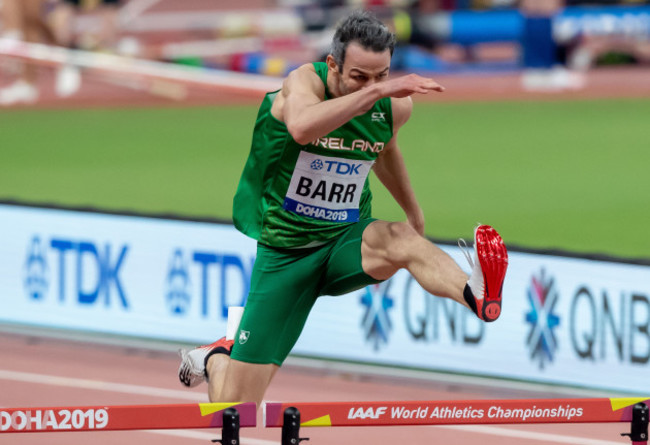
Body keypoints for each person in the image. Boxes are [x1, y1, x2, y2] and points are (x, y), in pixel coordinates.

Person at [178, 9, 508, 408]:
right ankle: (216, 358)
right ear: (333, 64)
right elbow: (301, 127)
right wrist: (377, 92)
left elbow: (383, 150)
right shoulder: (303, 83)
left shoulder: (394, 106)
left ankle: (476, 294)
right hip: (287, 253)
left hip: (343, 239)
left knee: (401, 240)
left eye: (381, 76)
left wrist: (414, 214)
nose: (371, 85)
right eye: (359, 76)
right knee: (235, 409)